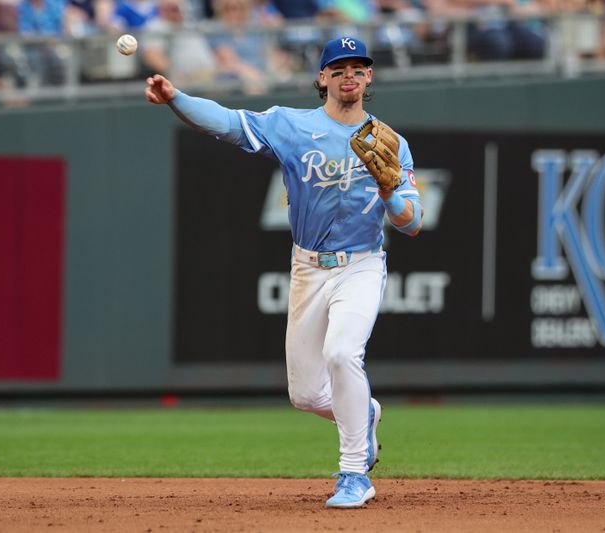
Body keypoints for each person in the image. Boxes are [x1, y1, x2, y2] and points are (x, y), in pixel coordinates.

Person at [144, 36, 423, 508]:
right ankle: (365, 414)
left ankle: (354, 474)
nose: (348, 74)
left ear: (369, 77)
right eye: (338, 68)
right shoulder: (291, 126)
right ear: (322, 78)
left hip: (361, 262)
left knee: (341, 353)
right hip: (309, 267)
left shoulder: (389, 142)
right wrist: (176, 99)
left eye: (357, 67)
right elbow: (229, 124)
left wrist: (389, 190)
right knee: (306, 394)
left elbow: (411, 223)